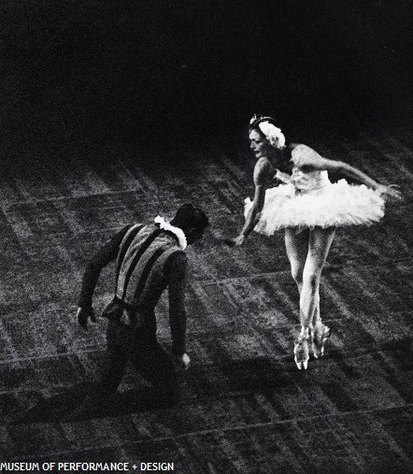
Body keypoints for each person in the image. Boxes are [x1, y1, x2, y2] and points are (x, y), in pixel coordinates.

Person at [229, 114, 401, 370]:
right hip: (295, 204)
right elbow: (257, 206)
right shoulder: (263, 166)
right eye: (251, 141)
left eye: (256, 142)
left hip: (322, 204)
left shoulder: (302, 157)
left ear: (271, 140)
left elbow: (341, 166)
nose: (252, 146)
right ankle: (319, 327)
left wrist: (377, 186)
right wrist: (244, 233)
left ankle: (303, 336)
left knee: (311, 276)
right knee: (298, 274)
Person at [71, 203, 209, 417]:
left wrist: (84, 302)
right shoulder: (176, 258)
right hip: (137, 331)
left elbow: (94, 264)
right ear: (191, 232)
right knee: (171, 390)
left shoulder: (133, 230)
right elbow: (177, 310)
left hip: (115, 321)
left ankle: (79, 411)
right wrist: (179, 351)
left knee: (107, 385)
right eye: (197, 237)